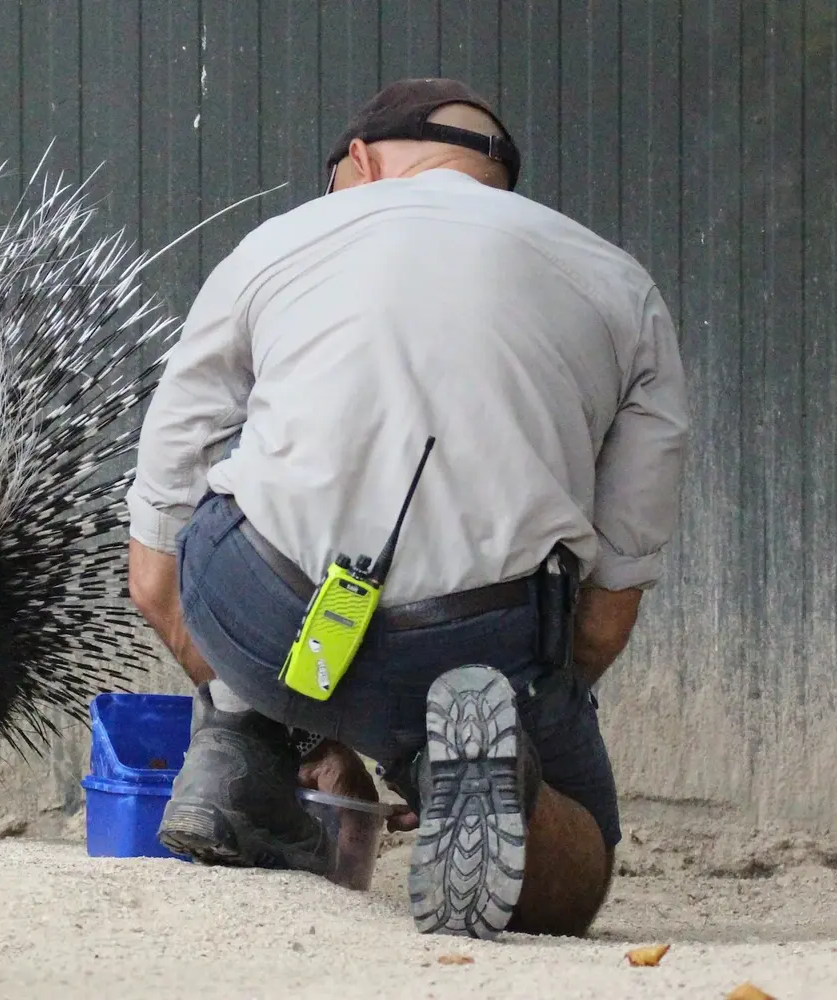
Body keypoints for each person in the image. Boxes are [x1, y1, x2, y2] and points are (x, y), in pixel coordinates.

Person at [124, 77, 688, 940]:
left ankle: (240, 744)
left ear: (360, 163)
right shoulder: (621, 285)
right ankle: (498, 775)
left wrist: (286, 706)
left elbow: (158, 559)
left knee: (219, 507)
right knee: (582, 859)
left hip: (265, 606)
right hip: (479, 631)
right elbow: (608, 616)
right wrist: (520, 704)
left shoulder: (278, 243)